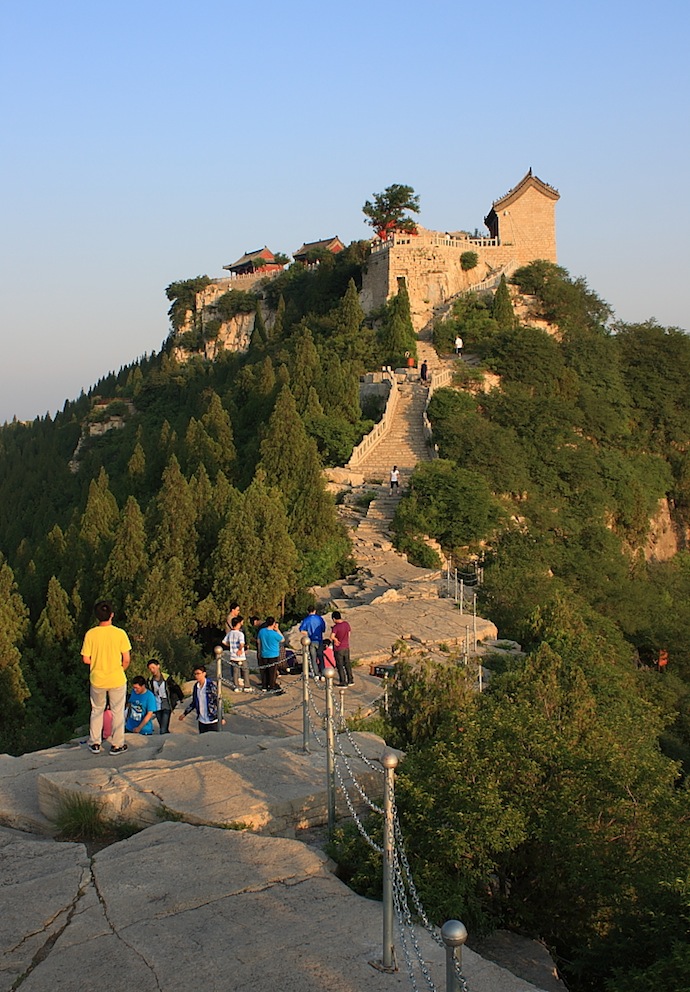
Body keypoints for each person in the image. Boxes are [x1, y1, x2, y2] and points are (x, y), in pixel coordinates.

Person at [81, 600, 131, 755]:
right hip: (116, 678)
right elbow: (126, 659)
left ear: (97, 616)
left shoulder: (91, 634)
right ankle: (117, 745)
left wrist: (97, 663)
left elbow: (86, 659)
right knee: (117, 711)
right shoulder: (120, 633)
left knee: (97, 710)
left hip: (97, 679)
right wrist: (119, 669)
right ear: (112, 615)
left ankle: (95, 742)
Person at [178, 665, 224, 733]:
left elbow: (218, 701)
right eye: (195, 674)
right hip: (202, 720)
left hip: (212, 720)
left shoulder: (210, 685)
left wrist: (221, 717)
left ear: (204, 674)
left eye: (198, 673)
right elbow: (194, 702)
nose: (196, 676)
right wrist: (185, 713)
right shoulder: (196, 687)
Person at [146, 659, 184, 733]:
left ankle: (165, 738)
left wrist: (180, 697)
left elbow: (175, 687)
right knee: (162, 726)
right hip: (156, 705)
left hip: (167, 704)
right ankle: (167, 738)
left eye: (153, 667)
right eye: (150, 669)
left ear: (158, 666)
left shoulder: (167, 678)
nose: (152, 670)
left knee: (163, 728)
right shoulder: (150, 680)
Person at [223, 615, 253, 692]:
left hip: (233, 655)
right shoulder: (240, 634)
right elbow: (242, 643)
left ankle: (236, 686)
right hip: (241, 656)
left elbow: (224, 642)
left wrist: (231, 646)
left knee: (235, 672)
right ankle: (247, 686)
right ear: (238, 624)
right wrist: (240, 649)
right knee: (245, 670)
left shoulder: (230, 633)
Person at [256, 617, 285, 694]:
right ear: (273, 623)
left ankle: (264, 686)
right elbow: (282, 639)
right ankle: (271, 686)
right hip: (273, 654)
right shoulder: (275, 634)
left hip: (264, 653)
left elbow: (258, 641)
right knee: (272, 672)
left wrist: (259, 652)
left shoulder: (262, 631)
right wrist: (277, 629)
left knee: (264, 671)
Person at [299, 607, 326, 679]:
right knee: (321, 657)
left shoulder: (306, 619)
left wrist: (308, 633)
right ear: (315, 610)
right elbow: (323, 629)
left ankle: (316, 674)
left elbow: (301, 630)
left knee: (313, 658)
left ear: (308, 611)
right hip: (319, 639)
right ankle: (323, 674)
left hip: (311, 640)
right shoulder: (320, 618)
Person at [331, 610, 353, 686]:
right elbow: (349, 633)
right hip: (346, 646)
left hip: (338, 648)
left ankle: (343, 681)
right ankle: (350, 680)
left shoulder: (336, 627)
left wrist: (336, 640)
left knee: (340, 665)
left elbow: (332, 636)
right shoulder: (346, 624)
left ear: (334, 619)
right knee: (347, 664)